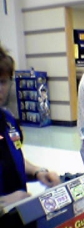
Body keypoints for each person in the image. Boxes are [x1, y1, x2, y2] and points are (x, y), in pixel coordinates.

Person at [0, 44, 60, 209]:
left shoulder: (8, 121)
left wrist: (38, 172)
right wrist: (3, 203)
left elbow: (14, 159)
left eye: (2, 82)